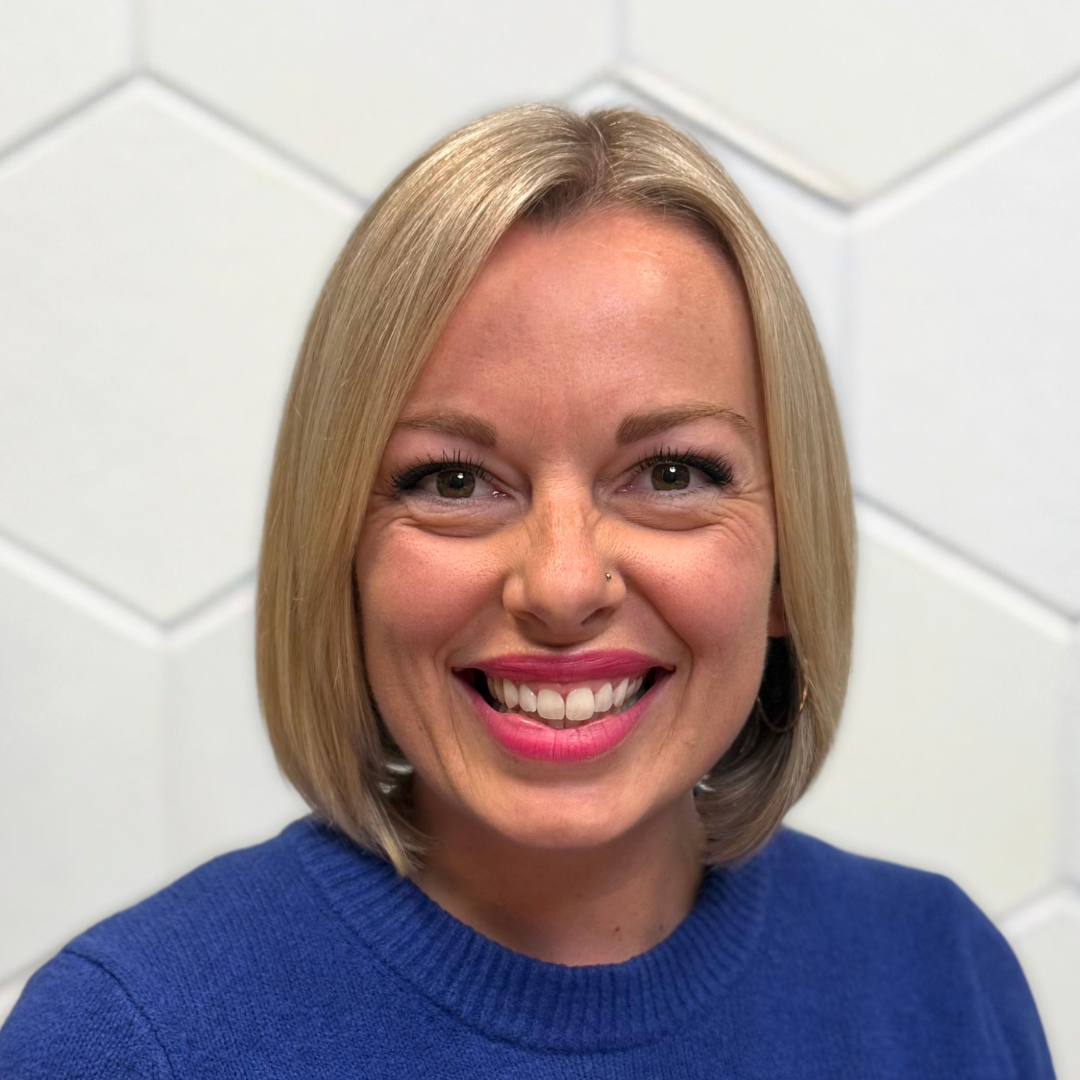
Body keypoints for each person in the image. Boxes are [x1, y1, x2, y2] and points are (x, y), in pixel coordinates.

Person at [0, 105, 1054, 1077]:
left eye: (673, 474)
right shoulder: (130, 1038)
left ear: (787, 560)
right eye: (453, 483)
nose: (561, 584)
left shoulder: (943, 983)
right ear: (341, 558)